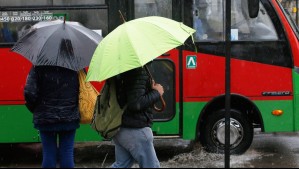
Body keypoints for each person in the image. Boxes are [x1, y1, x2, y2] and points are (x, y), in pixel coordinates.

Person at [24, 65, 80, 168]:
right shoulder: (74, 66)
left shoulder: (39, 66)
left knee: (48, 152)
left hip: (45, 118)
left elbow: (29, 92)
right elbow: (81, 91)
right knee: (67, 152)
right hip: (69, 118)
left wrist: (36, 109)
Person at [111, 66, 164, 168]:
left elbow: (128, 95)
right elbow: (136, 103)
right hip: (135, 129)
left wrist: (149, 88)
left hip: (120, 127)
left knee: (121, 165)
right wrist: (157, 92)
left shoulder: (120, 68)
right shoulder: (137, 70)